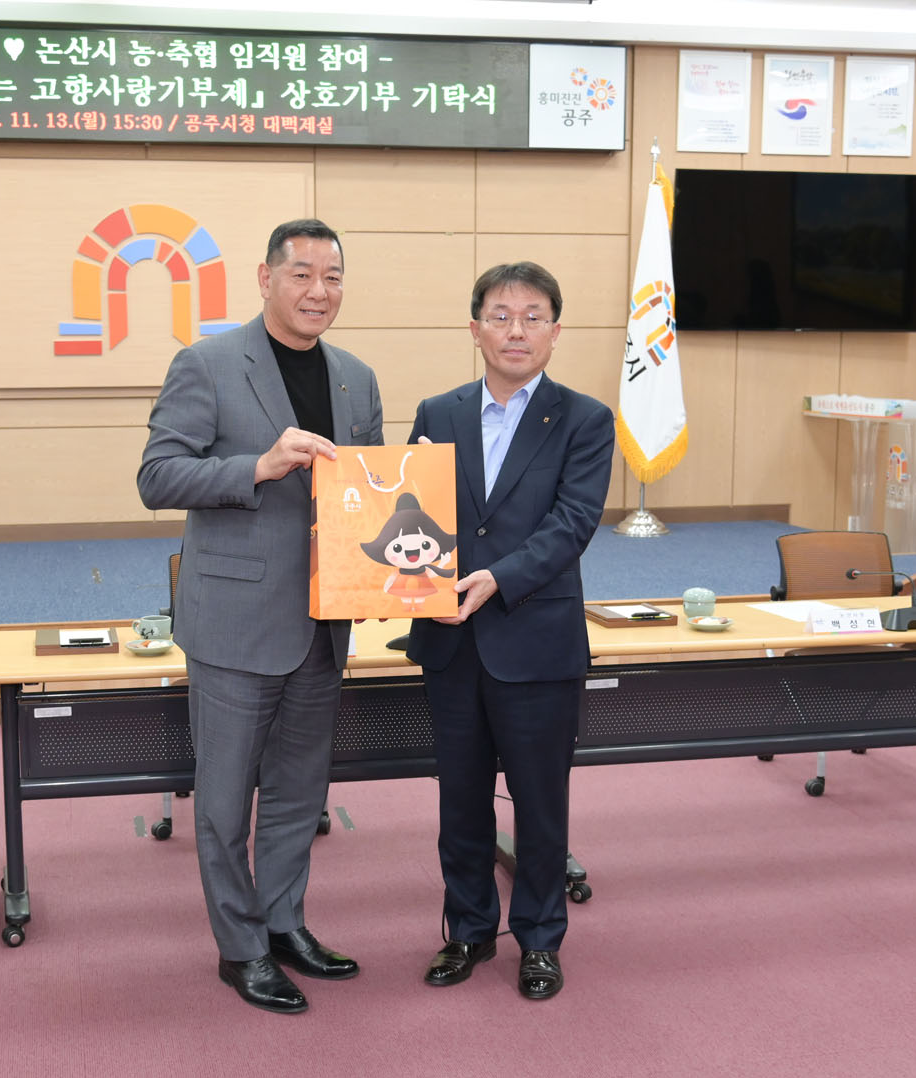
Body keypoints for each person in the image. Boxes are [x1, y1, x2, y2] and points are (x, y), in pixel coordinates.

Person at [136, 219, 383, 1014]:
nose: (319, 291)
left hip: (323, 620)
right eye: (302, 274)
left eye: (333, 277)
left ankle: (283, 924)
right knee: (222, 805)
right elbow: (157, 476)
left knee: (297, 794)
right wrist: (257, 467)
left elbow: (372, 493)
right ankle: (240, 948)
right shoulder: (206, 364)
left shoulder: (357, 378)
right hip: (235, 622)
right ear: (265, 278)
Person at [405, 262, 614, 1001]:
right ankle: (466, 930)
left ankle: (540, 939)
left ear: (555, 331)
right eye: (500, 315)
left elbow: (573, 523)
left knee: (540, 804)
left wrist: (499, 576)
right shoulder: (438, 412)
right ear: (475, 330)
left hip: (535, 638)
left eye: (532, 317)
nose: (515, 330)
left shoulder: (585, 419)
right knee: (459, 800)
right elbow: (411, 513)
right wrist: (401, 583)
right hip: (450, 639)